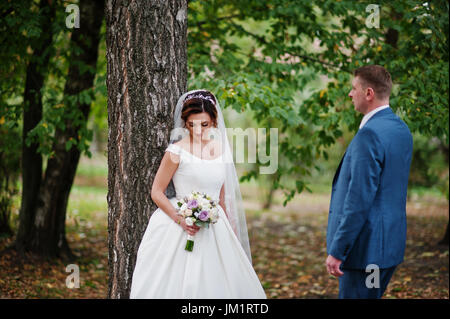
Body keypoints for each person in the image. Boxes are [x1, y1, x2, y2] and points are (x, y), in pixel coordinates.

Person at [130, 89, 266, 299]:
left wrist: (233, 231)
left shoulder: (222, 151)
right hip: (178, 225)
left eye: (204, 124)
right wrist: (180, 219)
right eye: (192, 124)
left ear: (214, 121)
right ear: (185, 123)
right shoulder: (176, 152)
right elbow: (157, 192)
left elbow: (222, 198)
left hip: (215, 228)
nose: (198, 130)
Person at [325, 65, 413, 298]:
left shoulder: (369, 135)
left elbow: (359, 199)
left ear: (369, 93)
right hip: (388, 249)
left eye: (354, 88)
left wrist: (338, 250)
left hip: (364, 253)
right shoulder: (401, 129)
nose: (350, 94)